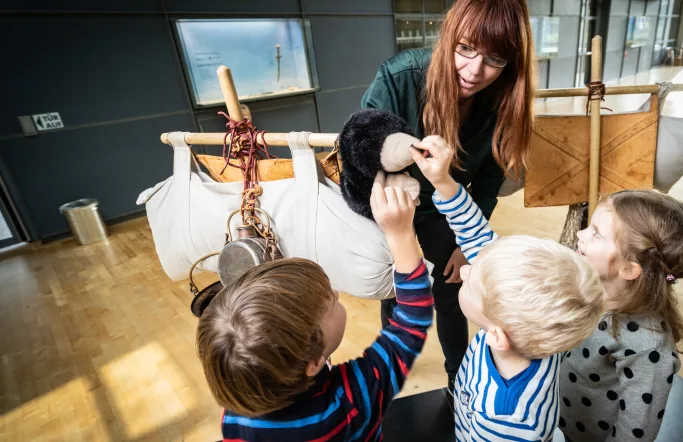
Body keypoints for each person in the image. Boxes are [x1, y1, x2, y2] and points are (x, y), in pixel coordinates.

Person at [361, 0, 537, 391]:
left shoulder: (504, 97)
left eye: (495, 59)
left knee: (452, 292)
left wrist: (465, 242)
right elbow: (364, 152)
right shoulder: (400, 77)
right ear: (447, 38)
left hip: (449, 210)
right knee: (397, 288)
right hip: (394, 207)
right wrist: (394, 230)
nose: (475, 72)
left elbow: (489, 182)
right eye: (465, 49)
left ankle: (458, 379)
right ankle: (392, 369)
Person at [195, 181, 433, 442]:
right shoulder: (352, 398)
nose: (337, 294)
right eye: (331, 301)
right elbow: (411, 322)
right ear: (313, 363)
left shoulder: (237, 412)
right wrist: (400, 234)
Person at [411, 137, 606, 440]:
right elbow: (477, 237)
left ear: (497, 336)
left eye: (471, 282)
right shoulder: (535, 331)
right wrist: (443, 181)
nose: (465, 268)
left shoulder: (508, 419)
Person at [559, 190, 683, 441]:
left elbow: (635, 433)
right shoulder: (591, 286)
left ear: (628, 268)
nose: (580, 234)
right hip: (564, 420)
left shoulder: (648, 349)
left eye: (595, 233)